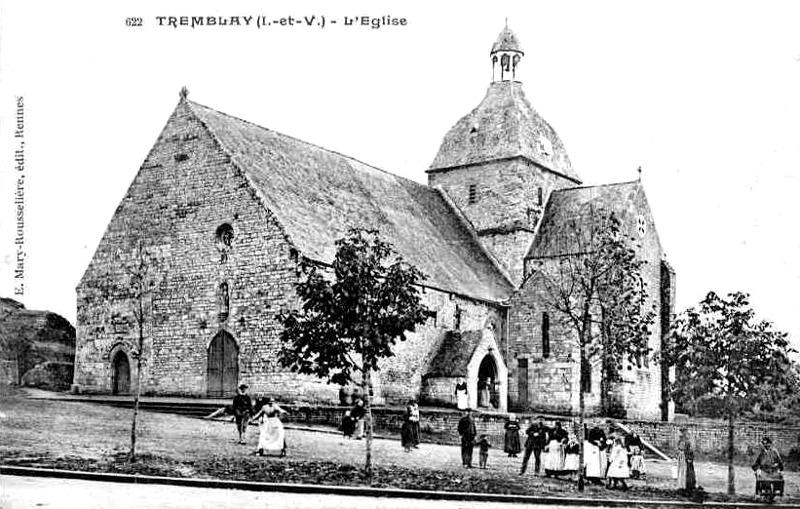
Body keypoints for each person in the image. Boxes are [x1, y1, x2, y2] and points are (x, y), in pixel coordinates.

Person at [675, 427, 696, 494]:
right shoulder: (680, 441)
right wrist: (678, 452)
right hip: (681, 457)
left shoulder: (687, 441)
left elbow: (690, 451)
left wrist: (688, 458)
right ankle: (680, 485)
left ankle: (684, 486)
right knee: (680, 470)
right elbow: (678, 448)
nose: (681, 435)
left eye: (682, 433)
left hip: (685, 458)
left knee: (684, 471)